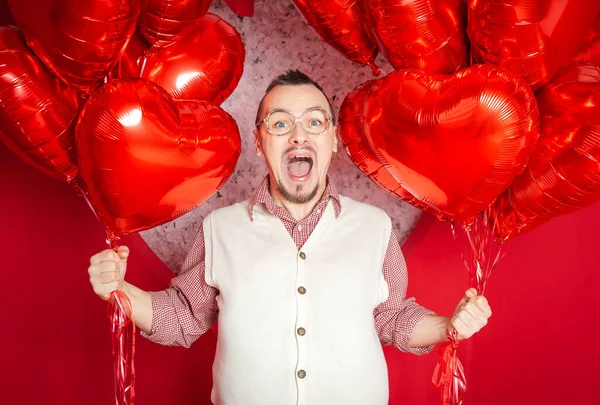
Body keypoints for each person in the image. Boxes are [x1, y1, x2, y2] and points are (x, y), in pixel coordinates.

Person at [88, 70, 492, 405]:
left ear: (333, 139)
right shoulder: (220, 229)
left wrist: (448, 326)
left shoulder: (375, 226)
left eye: (314, 122)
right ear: (261, 142)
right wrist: (118, 290)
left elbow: (391, 317)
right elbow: (182, 317)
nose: (299, 136)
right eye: (280, 124)